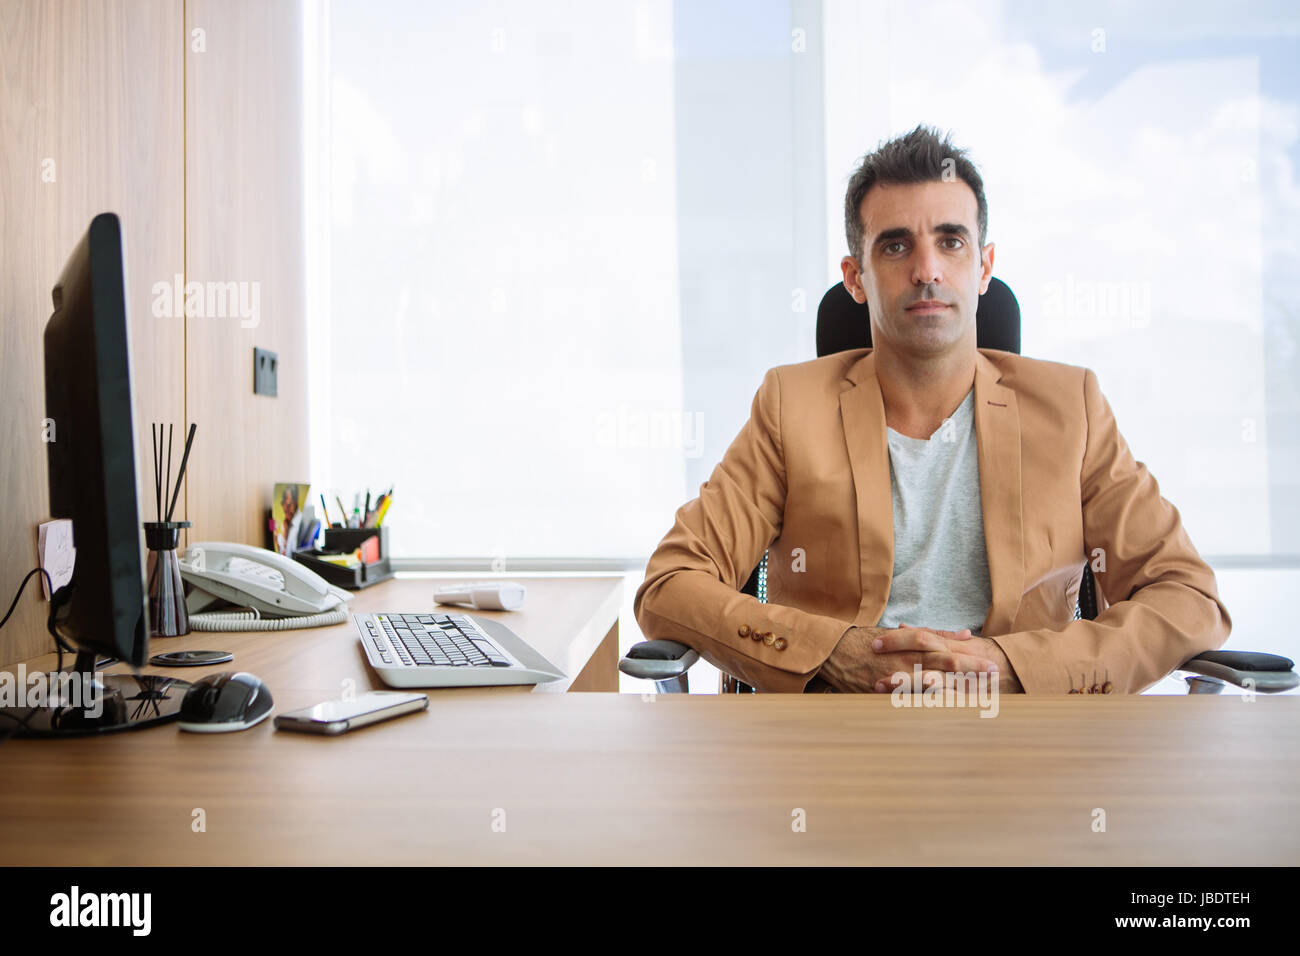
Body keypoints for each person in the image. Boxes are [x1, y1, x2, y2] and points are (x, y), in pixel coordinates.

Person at [634, 125, 1229, 694]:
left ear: (984, 266)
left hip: (1019, 734)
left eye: (951, 240)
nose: (927, 270)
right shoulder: (792, 407)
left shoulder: (1071, 409)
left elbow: (1186, 596)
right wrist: (834, 653)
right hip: (829, 735)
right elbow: (670, 584)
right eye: (896, 246)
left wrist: (1017, 665)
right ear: (856, 277)